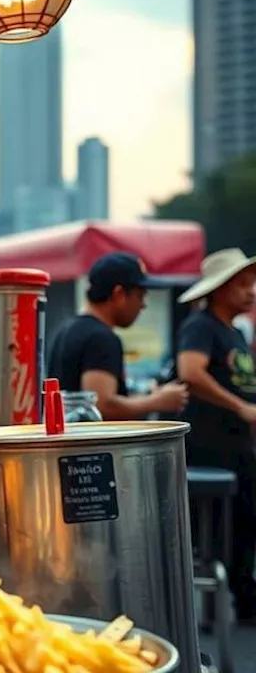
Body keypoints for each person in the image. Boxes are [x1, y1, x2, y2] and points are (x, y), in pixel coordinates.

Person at [174, 247, 256, 620]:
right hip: (209, 449)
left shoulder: (235, 333)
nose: (251, 291)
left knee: (244, 525)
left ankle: (242, 597)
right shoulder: (201, 326)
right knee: (222, 532)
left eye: (251, 283)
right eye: (242, 284)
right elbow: (190, 372)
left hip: (238, 446)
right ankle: (226, 606)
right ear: (219, 289)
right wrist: (240, 407)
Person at [47, 252, 189, 420]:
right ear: (119, 294)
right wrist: (156, 401)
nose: (143, 305)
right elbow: (101, 405)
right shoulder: (101, 338)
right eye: (140, 295)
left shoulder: (67, 329)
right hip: (93, 445)